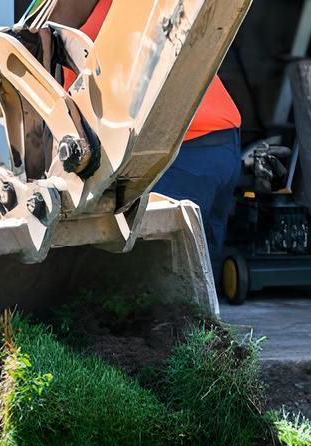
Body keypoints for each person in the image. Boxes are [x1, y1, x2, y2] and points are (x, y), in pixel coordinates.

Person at [44, 0, 243, 273]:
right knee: (203, 265)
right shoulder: (139, 10)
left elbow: (77, 131)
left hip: (180, 149)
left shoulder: (80, 42)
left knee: (163, 270)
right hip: (225, 139)